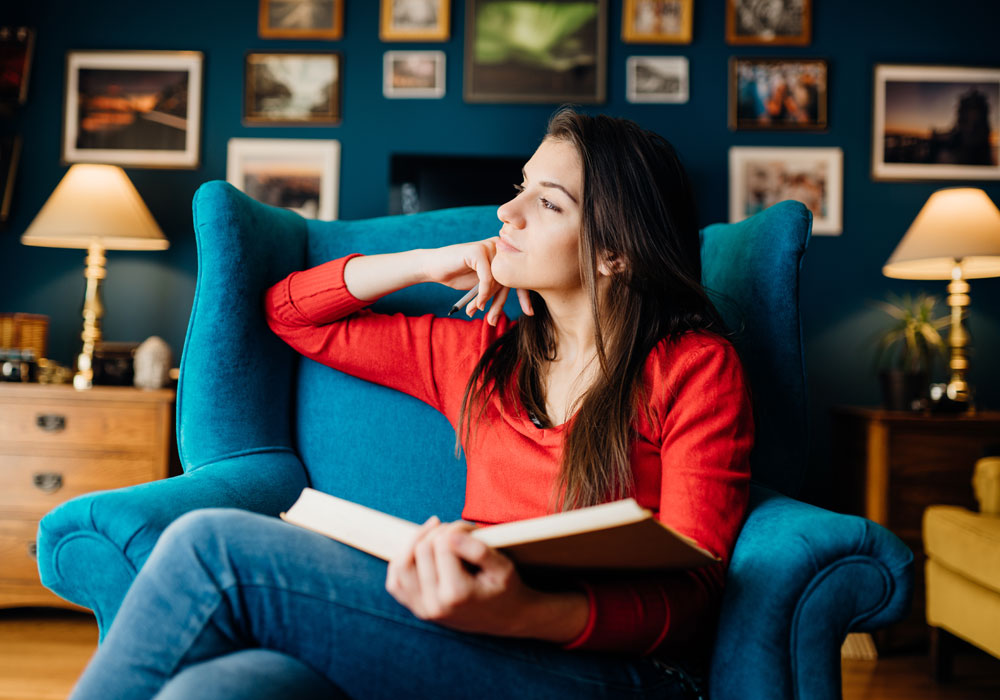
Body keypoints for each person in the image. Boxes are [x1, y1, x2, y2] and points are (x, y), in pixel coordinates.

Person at [68, 108, 754, 700]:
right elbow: (291, 315)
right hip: (472, 641)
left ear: (615, 254)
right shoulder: (483, 358)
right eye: (520, 189)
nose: (506, 214)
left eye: (547, 203)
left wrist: (522, 612)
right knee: (216, 688)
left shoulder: (693, 367)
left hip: (623, 673)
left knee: (209, 545)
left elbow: (694, 597)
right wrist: (426, 261)